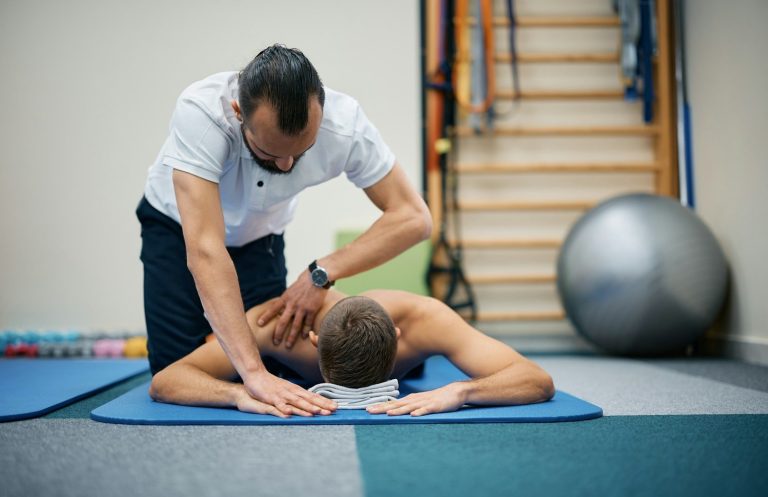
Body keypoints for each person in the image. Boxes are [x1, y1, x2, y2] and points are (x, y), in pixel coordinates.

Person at [136, 44, 432, 417]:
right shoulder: (202, 114)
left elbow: (413, 217)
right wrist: (250, 378)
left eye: (301, 150)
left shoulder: (345, 125)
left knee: (280, 362)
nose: (286, 162)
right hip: (176, 229)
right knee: (177, 377)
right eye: (269, 152)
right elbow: (206, 250)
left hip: (262, 240)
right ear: (238, 113)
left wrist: (321, 272)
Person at [149, 290, 555, 418]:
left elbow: (537, 379)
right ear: (312, 341)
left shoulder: (429, 320)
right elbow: (166, 380)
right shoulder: (275, 328)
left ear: (398, 339)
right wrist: (241, 393)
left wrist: (462, 391)